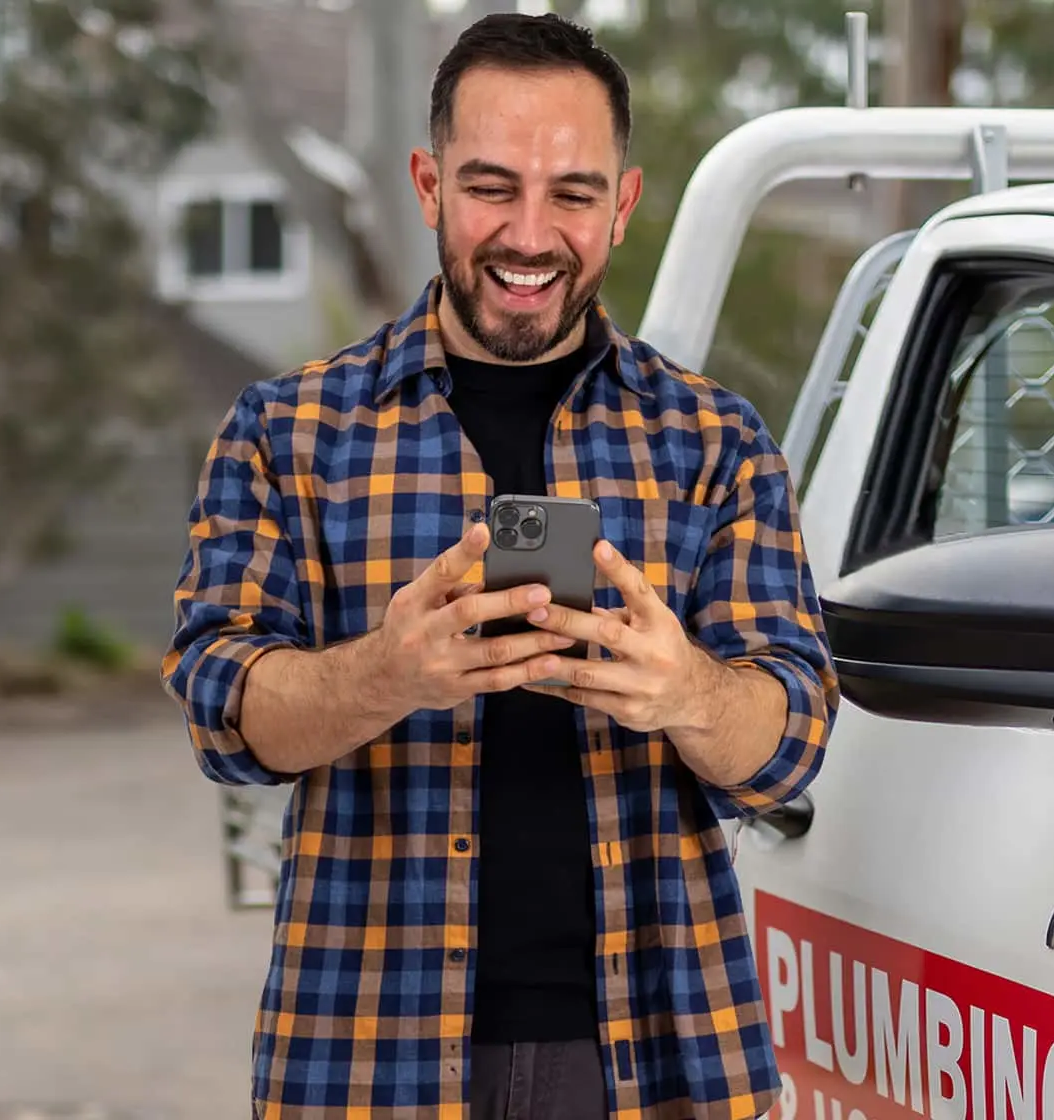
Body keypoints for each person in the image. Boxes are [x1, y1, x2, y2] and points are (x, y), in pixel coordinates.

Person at [161, 12, 838, 1120]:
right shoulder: (288, 432)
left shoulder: (714, 443)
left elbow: (788, 744)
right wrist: (387, 670)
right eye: (490, 187)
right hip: (360, 1055)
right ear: (428, 186)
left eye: (571, 193)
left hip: (653, 1058)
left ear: (619, 206)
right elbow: (221, 718)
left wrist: (684, 691)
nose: (529, 234)